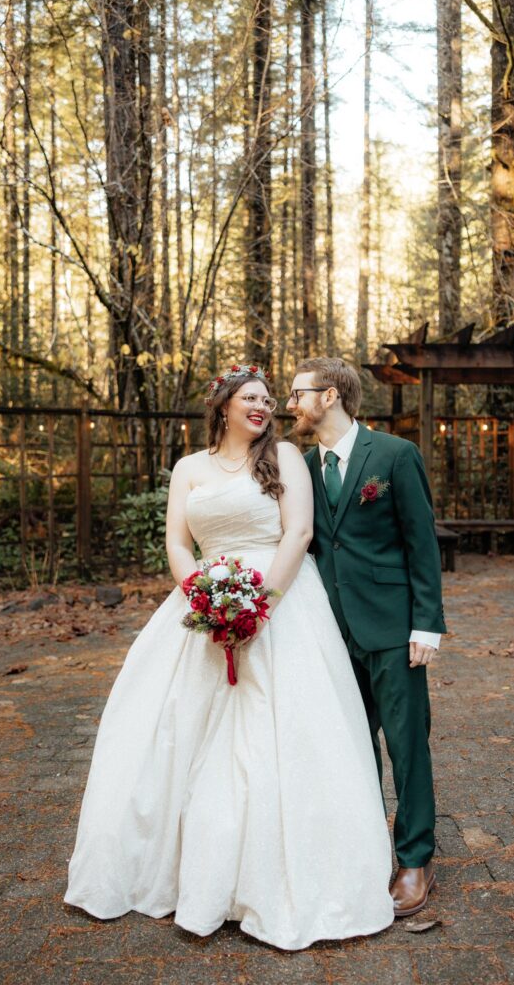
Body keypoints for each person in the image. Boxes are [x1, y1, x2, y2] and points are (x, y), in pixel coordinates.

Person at [64, 364, 394, 950]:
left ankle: (277, 881)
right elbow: (176, 541)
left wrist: (257, 608)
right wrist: (204, 601)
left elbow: (297, 534)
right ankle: (182, 871)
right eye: (252, 398)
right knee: (171, 734)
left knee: (284, 735)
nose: (264, 407)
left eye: (269, 399)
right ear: (223, 406)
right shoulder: (189, 468)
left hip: (282, 599)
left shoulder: (286, 457)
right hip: (201, 604)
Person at [286, 357, 446, 917]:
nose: (291, 405)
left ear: (329, 396)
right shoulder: (301, 466)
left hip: (393, 628)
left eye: (298, 394)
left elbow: (422, 544)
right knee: (351, 748)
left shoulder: (395, 456)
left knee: (406, 747)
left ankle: (416, 857)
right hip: (329, 631)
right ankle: (368, 851)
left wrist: (427, 624)